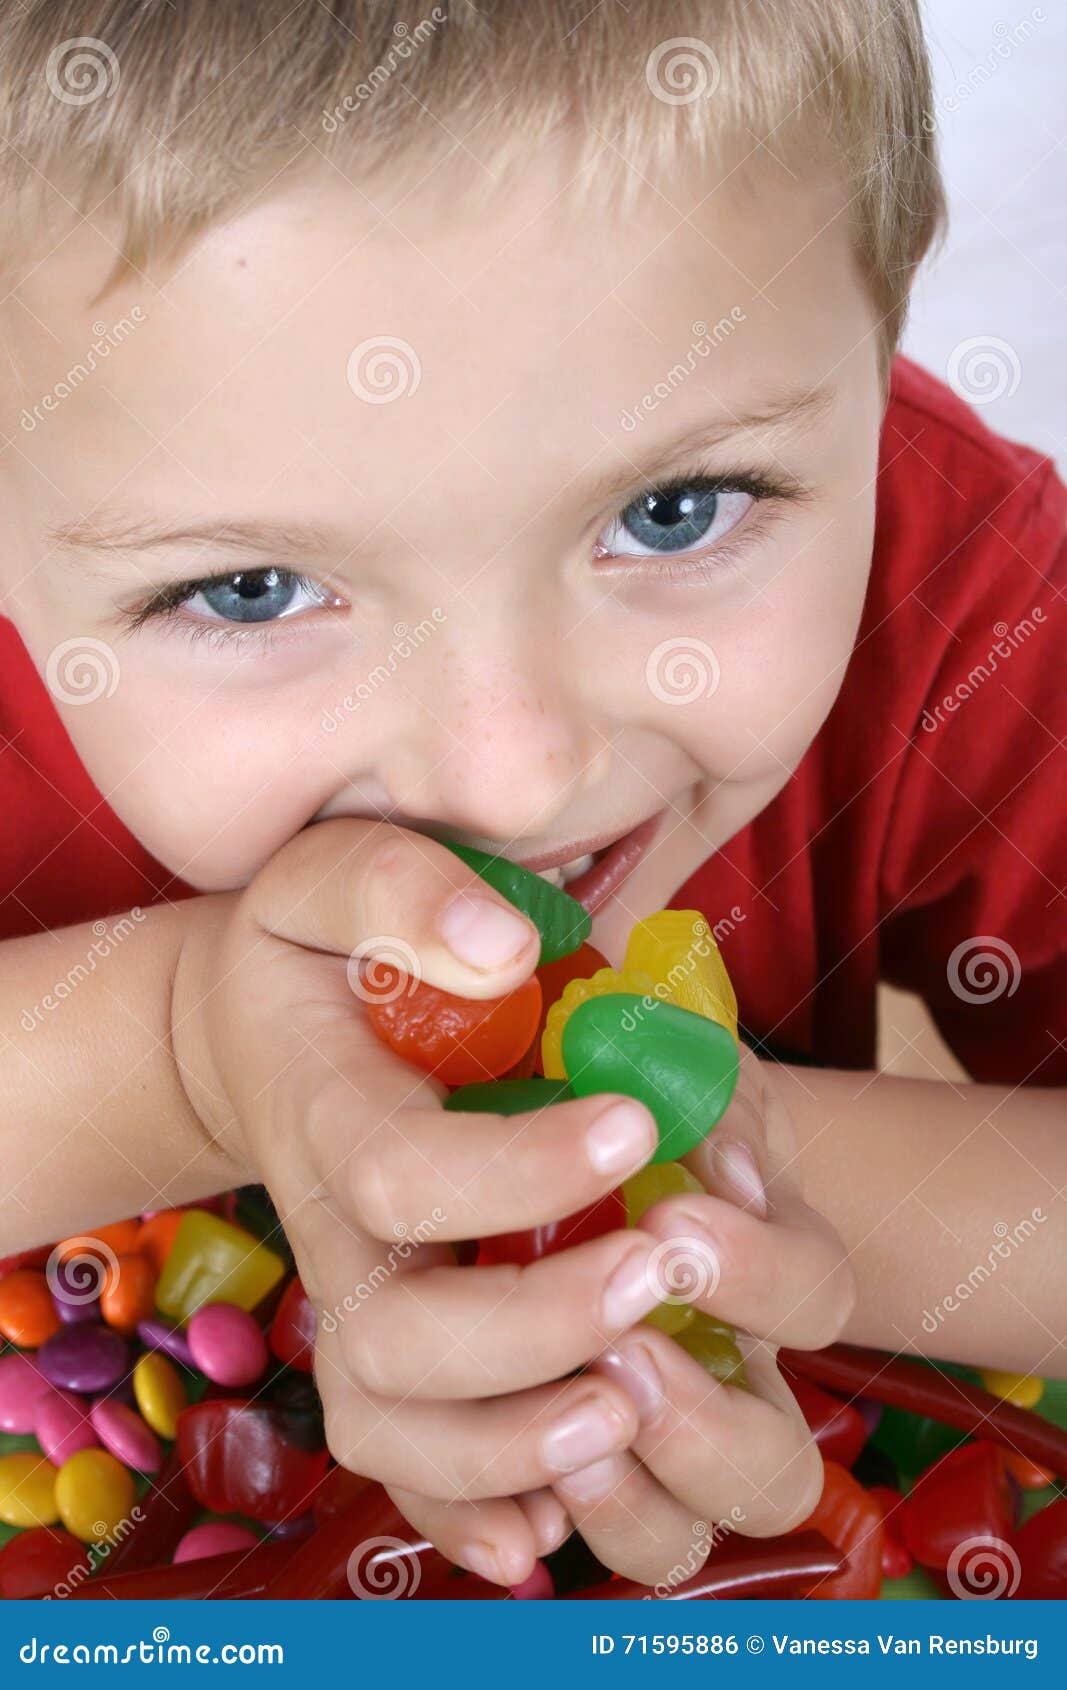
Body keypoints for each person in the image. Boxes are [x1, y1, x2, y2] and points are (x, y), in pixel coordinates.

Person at [1, 1, 1063, 1588]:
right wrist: (186, 1056)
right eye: (249, 590)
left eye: (677, 508)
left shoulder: (955, 583)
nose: (516, 773)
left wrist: (682, 1171)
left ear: (888, 295)